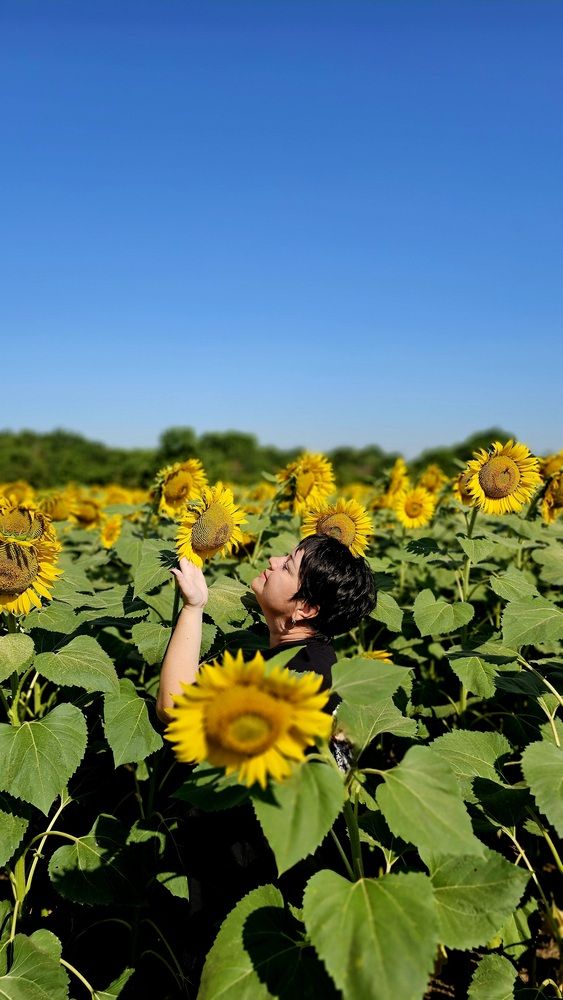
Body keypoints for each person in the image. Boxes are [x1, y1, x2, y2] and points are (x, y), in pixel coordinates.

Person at [155, 533, 375, 974]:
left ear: (305, 609)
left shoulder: (300, 678)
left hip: (255, 874)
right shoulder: (303, 662)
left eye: (289, 565)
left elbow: (174, 707)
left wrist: (194, 607)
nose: (273, 560)